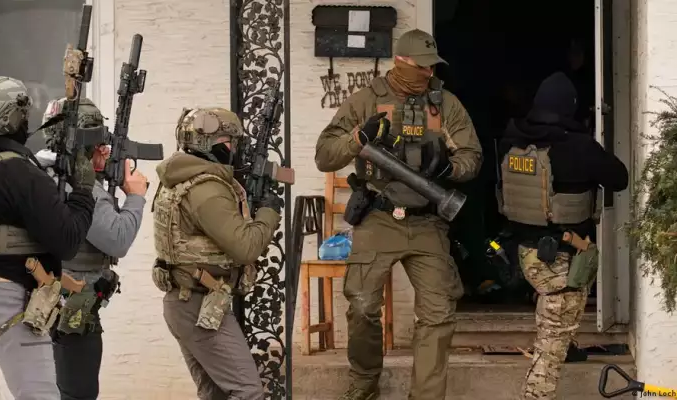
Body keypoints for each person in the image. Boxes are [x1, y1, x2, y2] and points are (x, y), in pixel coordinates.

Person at [315, 29, 483, 400]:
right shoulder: (366, 100)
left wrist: (450, 167)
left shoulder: (445, 104)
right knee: (362, 304)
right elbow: (325, 155)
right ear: (401, 61)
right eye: (421, 66)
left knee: (438, 313)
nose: (427, 73)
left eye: (432, 66)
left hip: (428, 221)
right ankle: (364, 382)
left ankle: (425, 396)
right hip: (379, 217)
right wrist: (358, 139)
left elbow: (472, 156)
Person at [497, 72, 628, 400]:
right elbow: (619, 178)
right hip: (561, 254)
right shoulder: (578, 146)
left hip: (526, 252)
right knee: (552, 340)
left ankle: (566, 346)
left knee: (557, 312)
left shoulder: (514, 140)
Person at [151, 107, 282, 400]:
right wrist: (269, 212)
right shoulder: (208, 189)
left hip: (189, 300)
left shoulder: (183, 179)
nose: (234, 149)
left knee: (215, 394)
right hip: (198, 305)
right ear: (209, 144)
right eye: (229, 141)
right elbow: (246, 247)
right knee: (247, 391)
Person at [0, 76, 95, 399]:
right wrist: (84, 191)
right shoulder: (18, 172)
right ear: (10, 118)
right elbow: (67, 240)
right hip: (10, 298)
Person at [35, 97, 149, 400]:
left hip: (45, 300)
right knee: (79, 392)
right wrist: (135, 196)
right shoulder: (80, 188)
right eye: (99, 144)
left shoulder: (39, 172)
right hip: (73, 306)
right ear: (83, 146)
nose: (105, 150)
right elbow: (117, 239)